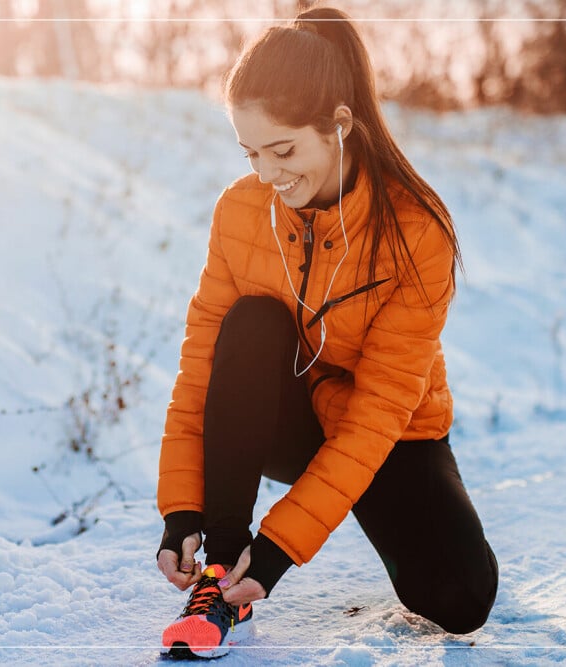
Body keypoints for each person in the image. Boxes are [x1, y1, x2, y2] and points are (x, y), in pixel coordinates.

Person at [154, 6, 499, 659]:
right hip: (286, 414)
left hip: (387, 429)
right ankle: (219, 573)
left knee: (459, 599)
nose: (266, 174)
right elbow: (202, 362)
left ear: (339, 125)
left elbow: (377, 411)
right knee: (249, 323)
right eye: (251, 152)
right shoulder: (241, 211)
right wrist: (181, 508)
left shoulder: (417, 231)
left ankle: (435, 540)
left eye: (282, 150)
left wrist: (282, 550)